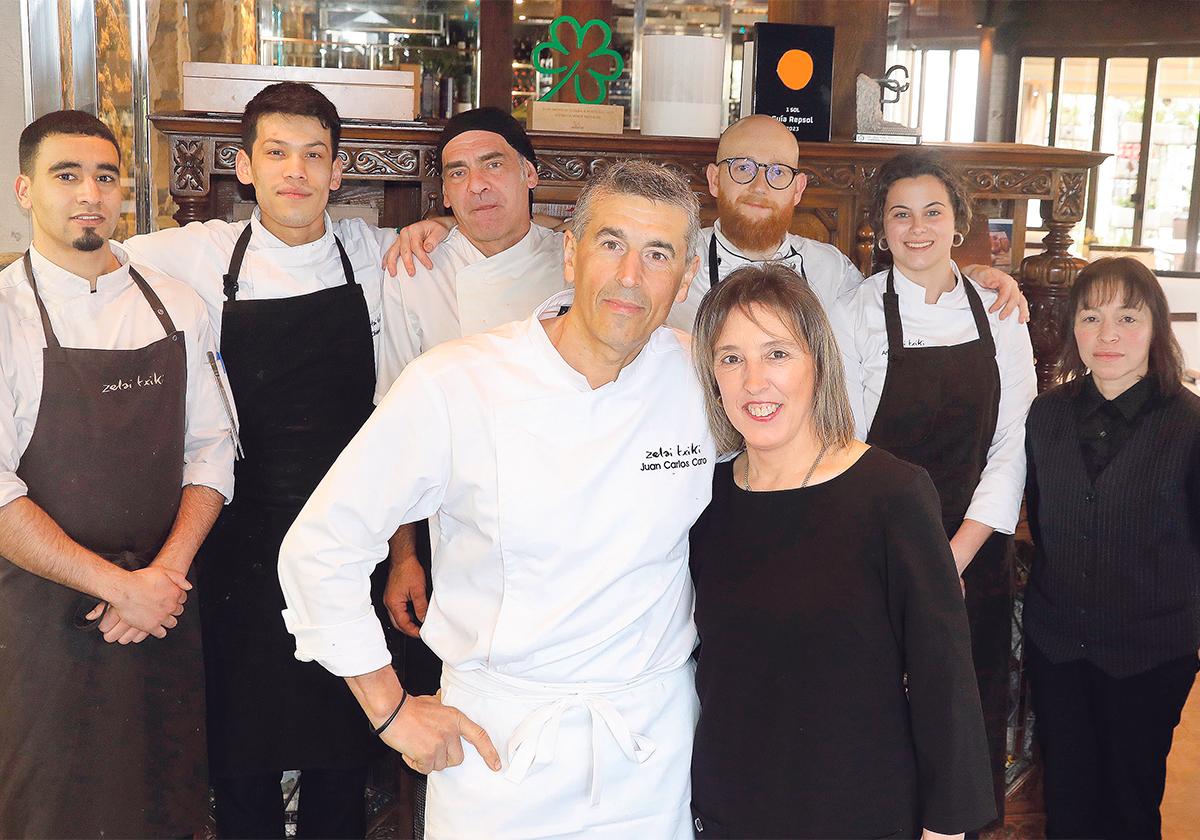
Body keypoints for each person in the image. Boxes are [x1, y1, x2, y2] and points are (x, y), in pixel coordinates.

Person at [277, 160, 713, 839]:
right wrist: (389, 710)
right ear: (570, 254)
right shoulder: (457, 383)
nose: (631, 276)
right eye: (610, 244)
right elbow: (319, 547)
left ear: (685, 279)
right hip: (497, 746)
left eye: (658, 255)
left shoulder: (700, 381)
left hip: (652, 749)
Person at [121, 82, 398, 838]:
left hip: (349, 534)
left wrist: (436, 226)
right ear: (245, 167)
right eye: (276, 154)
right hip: (242, 538)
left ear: (339, 171)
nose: (296, 172)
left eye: (314, 156)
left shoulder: (376, 254)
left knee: (344, 732)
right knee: (242, 741)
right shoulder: (196, 252)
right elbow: (84, 265)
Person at [688, 263, 996, 838]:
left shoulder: (891, 493)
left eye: (777, 353)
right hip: (731, 807)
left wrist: (947, 827)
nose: (755, 381)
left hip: (859, 809)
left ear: (818, 363)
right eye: (732, 358)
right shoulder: (706, 500)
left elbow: (943, 674)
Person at [0, 110, 234, 837]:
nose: (89, 194)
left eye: (105, 177)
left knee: (166, 805)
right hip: (40, 619)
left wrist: (162, 577)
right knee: (46, 807)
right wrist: (118, 587)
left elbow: (214, 449)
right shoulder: (5, 316)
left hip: (165, 606)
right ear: (24, 191)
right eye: (65, 176)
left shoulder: (178, 307)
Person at [383, 113, 1028, 334]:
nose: (757, 185)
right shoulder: (666, 253)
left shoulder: (830, 270)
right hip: (682, 462)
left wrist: (964, 271)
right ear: (714, 180)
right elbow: (579, 303)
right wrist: (445, 222)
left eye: (776, 173)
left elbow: (894, 311)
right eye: (741, 168)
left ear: (799, 189)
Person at [843, 151, 1037, 822]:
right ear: (881, 227)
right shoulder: (856, 312)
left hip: (973, 553)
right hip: (879, 550)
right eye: (900, 213)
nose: (917, 228)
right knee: (879, 718)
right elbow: (841, 443)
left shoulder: (1002, 311)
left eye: (934, 211)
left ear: (959, 223)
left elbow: (1013, 444)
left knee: (963, 716)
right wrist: (912, 562)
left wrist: (952, 554)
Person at [1024, 257, 1200, 839]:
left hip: (1151, 654)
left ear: (1156, 328)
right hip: (1059, 649)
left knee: (1130, 803)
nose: (1107, 336)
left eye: (1127, 317)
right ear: (1072, 326)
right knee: (1067, 802)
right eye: (1091, 316)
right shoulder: (1045, 415)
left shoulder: (1189, 423)